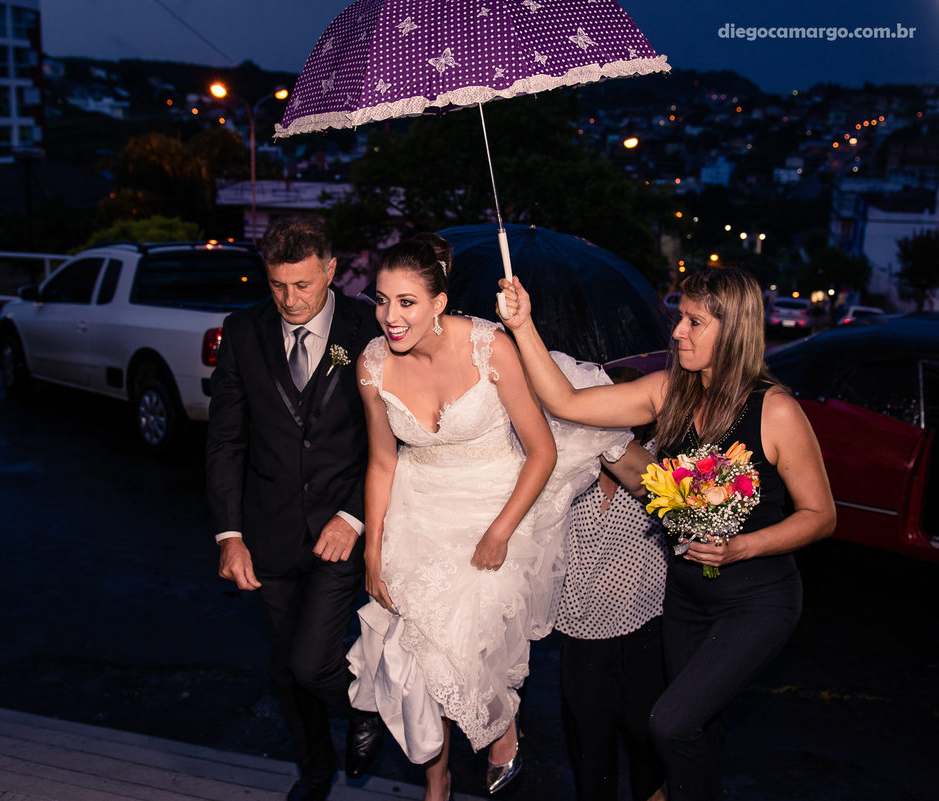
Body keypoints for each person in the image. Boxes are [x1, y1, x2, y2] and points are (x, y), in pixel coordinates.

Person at [498, 266, 836, 801]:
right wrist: (524, 327)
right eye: (680, 318)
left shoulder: (777, 411)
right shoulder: (667, 393)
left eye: (695, 322)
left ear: (734, 331)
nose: (678, 332)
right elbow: (566, 403)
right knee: (699, 726)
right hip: (686, 598)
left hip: (756, 599)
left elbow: (821, 515)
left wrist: (743, 545)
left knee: (671, 723)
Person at [346, 235, 630, 801]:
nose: (389, 317)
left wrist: (500, 532)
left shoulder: (489, 347)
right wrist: (372, 548)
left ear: (438, 303)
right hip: (417, 505)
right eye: (381, 301)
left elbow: (542, 450)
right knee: (418, 652)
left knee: (462, 636)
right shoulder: (372, 366)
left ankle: (500, 729)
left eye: (406, 302)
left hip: (500, 500)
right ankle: (438, 781)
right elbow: (382, 461)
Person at [206, 216, 386, 801]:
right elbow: (226, 440)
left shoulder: (370, 327)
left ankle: (369, 704)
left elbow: (398, 439)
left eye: (303, 285)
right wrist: (229, 534)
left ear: (331, 271)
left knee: (311, 664)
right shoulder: (241, 330)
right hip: (268, 534)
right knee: (285, 670)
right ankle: (314, 773)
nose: (289, 300)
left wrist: (356, 515)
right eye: (278, 285)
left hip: (344, 529)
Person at [557, 367, 669, 801]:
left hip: (646, 623)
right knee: (589, 749)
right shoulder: (571, 458)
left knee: (648, 742)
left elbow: (656, 496)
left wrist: (615, 448)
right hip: (580, 628)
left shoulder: (660, 461)